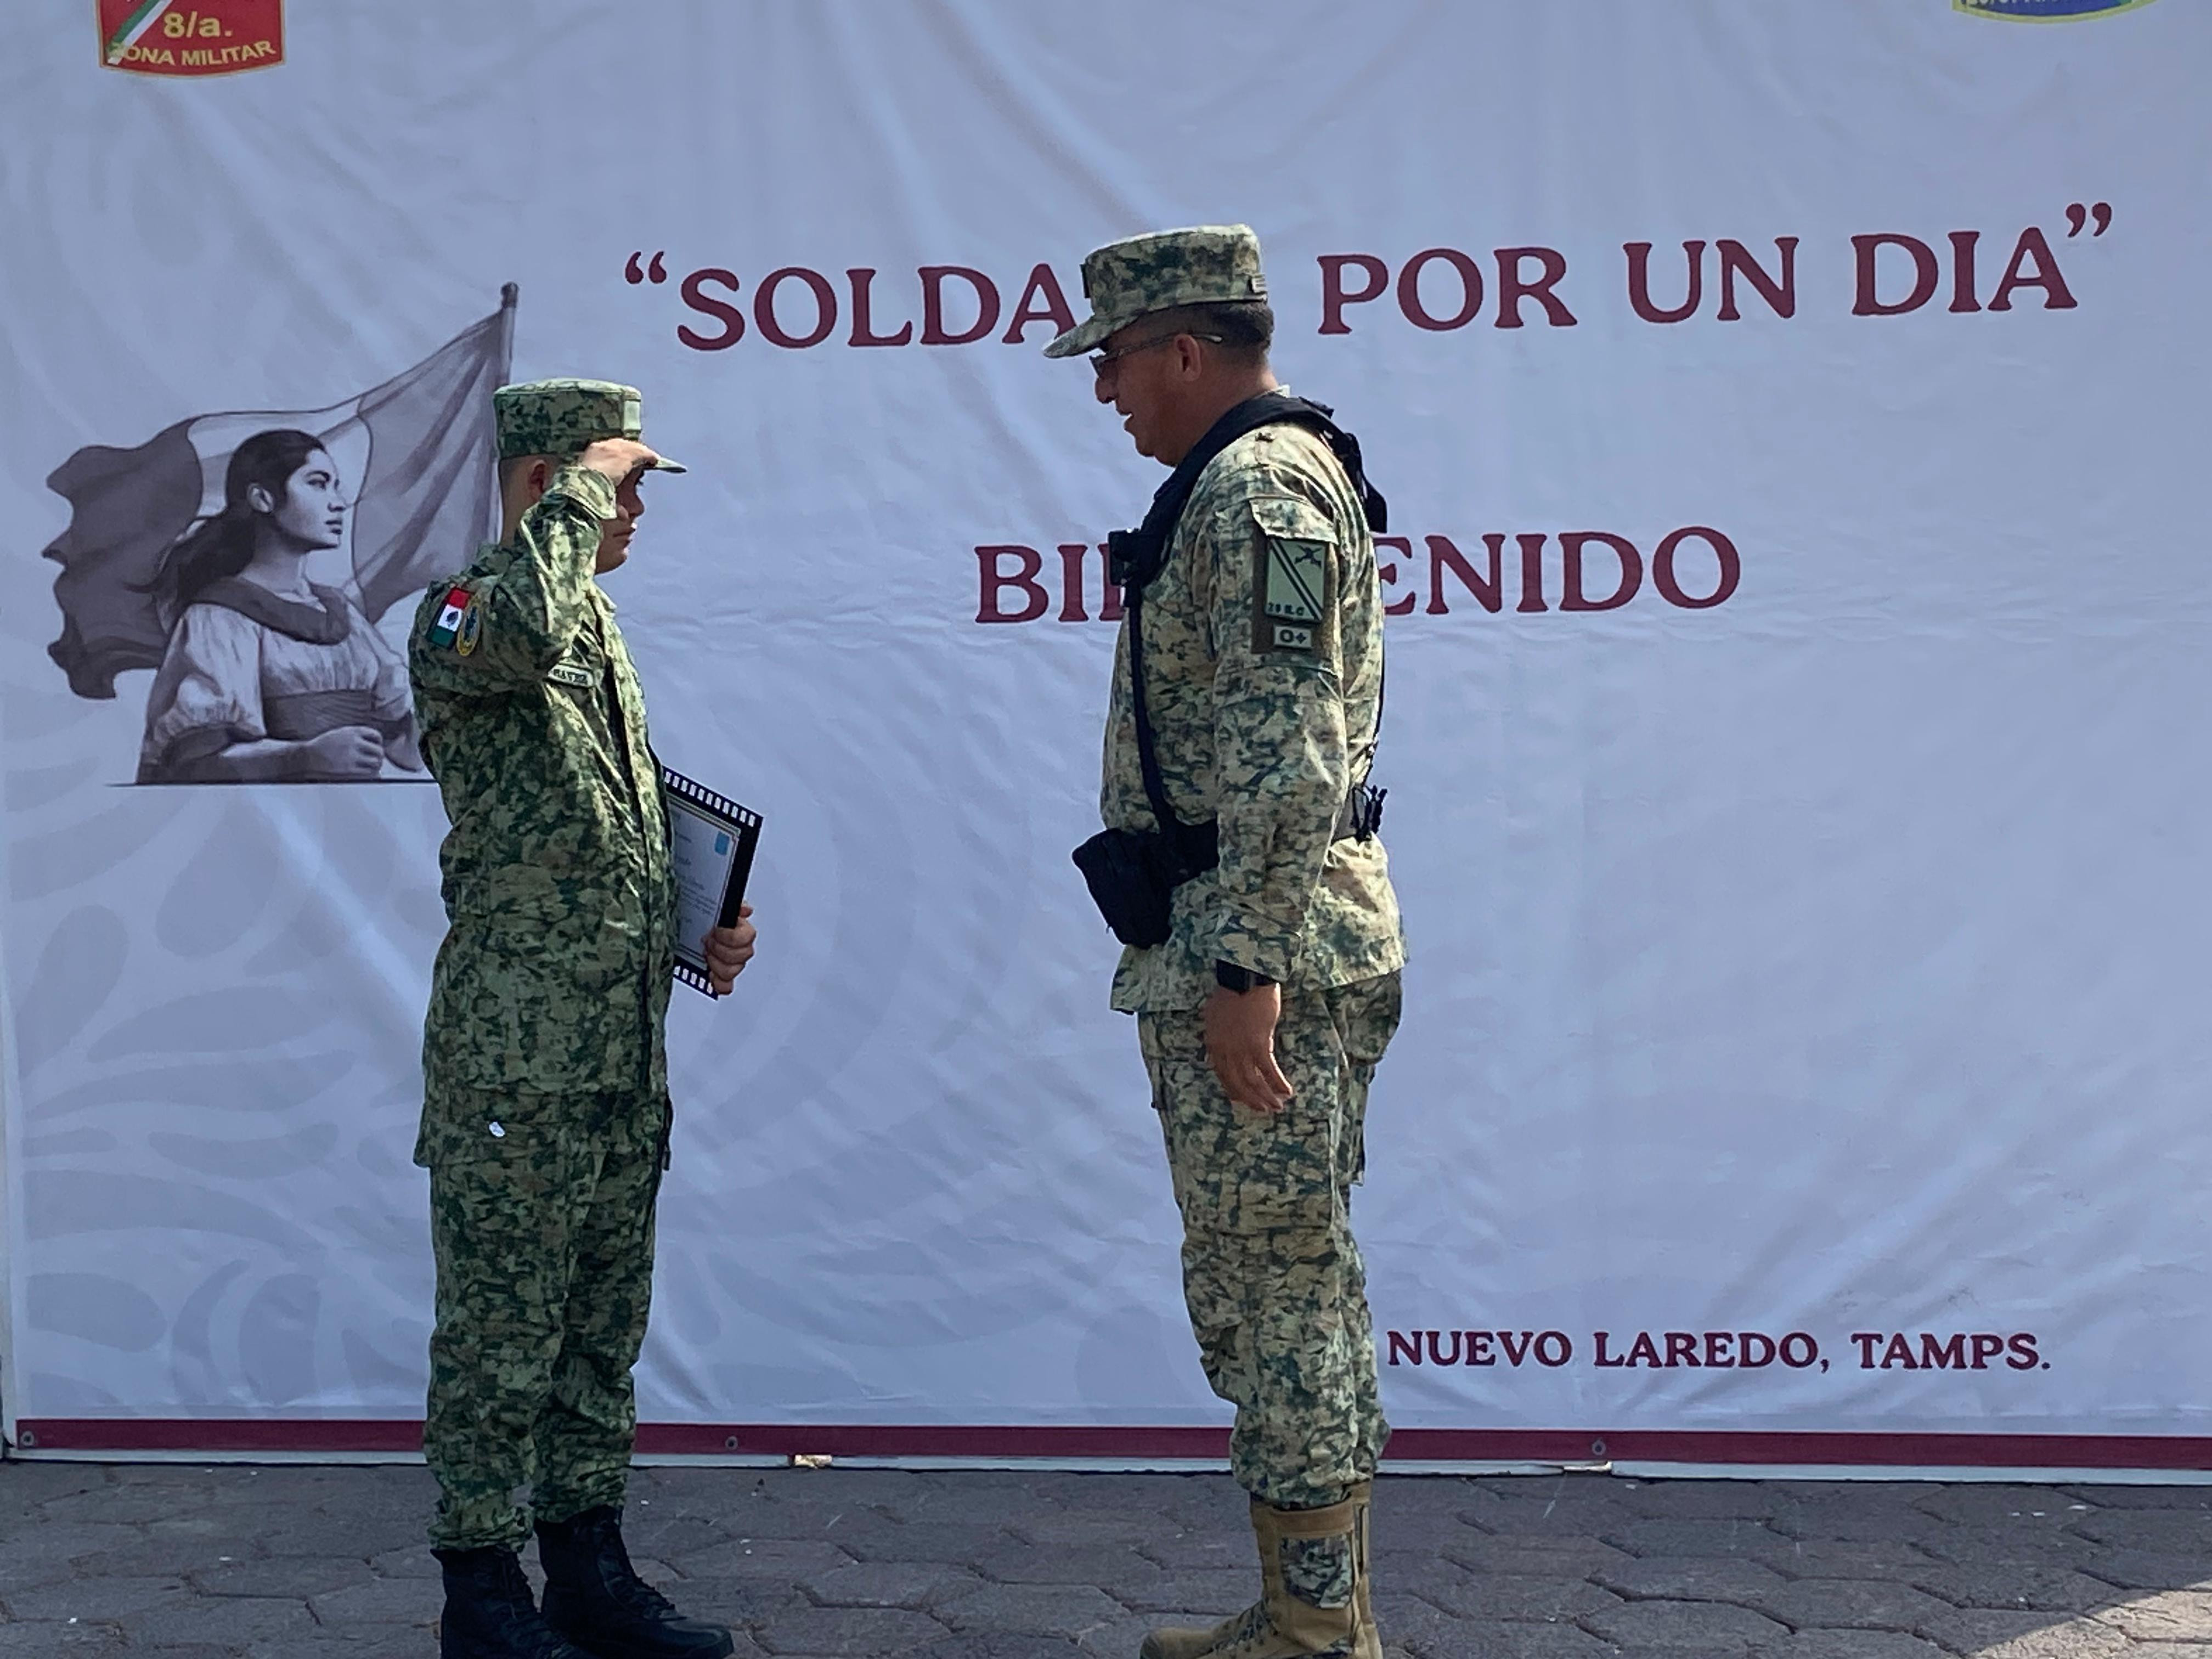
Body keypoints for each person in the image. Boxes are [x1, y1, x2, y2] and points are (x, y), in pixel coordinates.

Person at [1045, 228, 1406, 1659]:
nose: (1107, 392)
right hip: (1235, 941)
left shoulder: (1258, 490)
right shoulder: (1232, 487)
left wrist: (1249, 967)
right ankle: (1296, 1611)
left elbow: (1295, 748)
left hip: (1272, 956)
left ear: (1186, 349)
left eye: (1118, 361)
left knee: (1287, 1284)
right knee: (1256, 1284)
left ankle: (1321, 1635)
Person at [407, 379, 755, 1659]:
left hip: (614, 1056)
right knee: (502, 1331)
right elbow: (514, 634)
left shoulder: (593, 628)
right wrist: (572, 500)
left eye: (638, 486)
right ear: (544, 477)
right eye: (619, 480)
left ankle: (588, 1568)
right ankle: (482, 1594)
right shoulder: (463, 612)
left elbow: (588, 831)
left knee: (598, 1333)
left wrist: (698, 923)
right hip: (518, 1059)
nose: (635, 508)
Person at [137, 427, 421, 783]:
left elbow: (407, 750)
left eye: (335, 485)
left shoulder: (341, 612)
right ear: (263, 499)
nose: (338, 502)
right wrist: (304, 757)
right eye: (318, 484)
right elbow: (193, 763)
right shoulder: (218, 618)